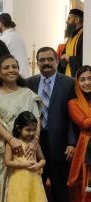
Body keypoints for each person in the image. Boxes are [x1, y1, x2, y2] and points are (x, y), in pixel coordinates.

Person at [26, 47, 76, 202]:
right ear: (37, 62)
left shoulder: (69, 83)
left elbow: (72, 116)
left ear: (56, 61)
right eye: (42, 60)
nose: (46, 63)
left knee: (60, 188)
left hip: (60, 145)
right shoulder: (29, 83)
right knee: (35, 187)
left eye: (50, 59)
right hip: (34, 142)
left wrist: (71, 142)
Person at [0, 55, 42, 202]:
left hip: (27, 150)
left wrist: (35, 141)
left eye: (14, 67)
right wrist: (11, 140)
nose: (11, 70)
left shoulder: (28, 93)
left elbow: (37, 120)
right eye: (6, 67)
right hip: (2, 148)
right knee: (2, 189)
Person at [5, 111, 47, 202]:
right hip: (18, 180)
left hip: (34, 180)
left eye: (34, 129)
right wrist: (24, 165)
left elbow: (43, 159)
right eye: (28, 130)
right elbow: (7, 162)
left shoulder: (35, 144)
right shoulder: (12, 144)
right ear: (19, 128)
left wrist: (38, 165)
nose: (32, 133)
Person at [67, 65, 91, 202]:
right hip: (86, 145)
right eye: (82, 80)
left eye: (90, 78)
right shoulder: (73, 103)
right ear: (77, 82)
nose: (87, 82)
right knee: (86, 182)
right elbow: (84, 123)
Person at [0, 13, 30, 78]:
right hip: (25, 75)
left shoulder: (2, 39)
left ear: (0, 23)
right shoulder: (19, 36)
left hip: (13, 76)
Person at [58, 9, 83, 77]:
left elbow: (84, 59)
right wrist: (63, 57)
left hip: (79, 78)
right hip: (67, 76)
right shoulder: (71, 36)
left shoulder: (84, 35)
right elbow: (64, 53)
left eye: (69, 18)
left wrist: (69, 58)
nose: (66, 21)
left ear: (77, 20)